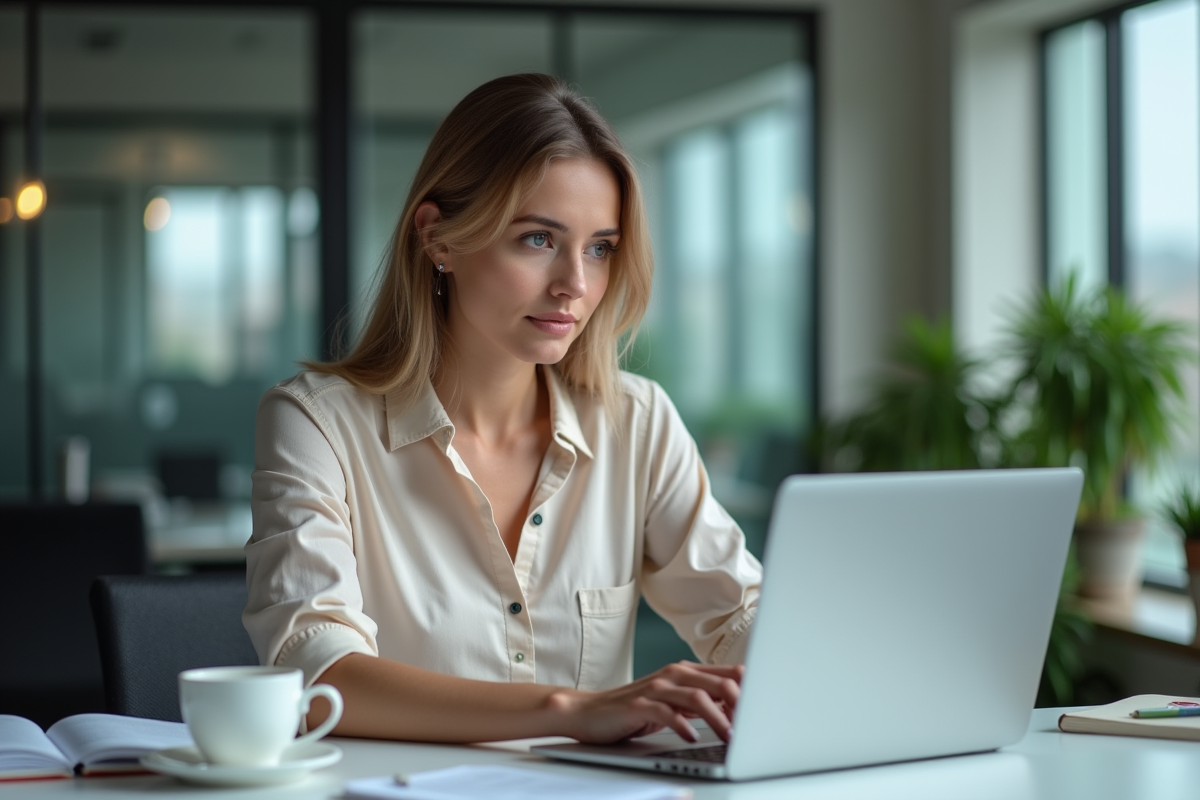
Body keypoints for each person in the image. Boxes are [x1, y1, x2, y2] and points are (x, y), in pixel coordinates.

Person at [243, 73, 762, 746]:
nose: (576, 284)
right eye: (539, 239)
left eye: (600, 248)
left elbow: (738, 616)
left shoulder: (637, 421)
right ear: (439, 239)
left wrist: (802, 653)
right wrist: (570, 711)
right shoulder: (317, 425)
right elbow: (315, 673)